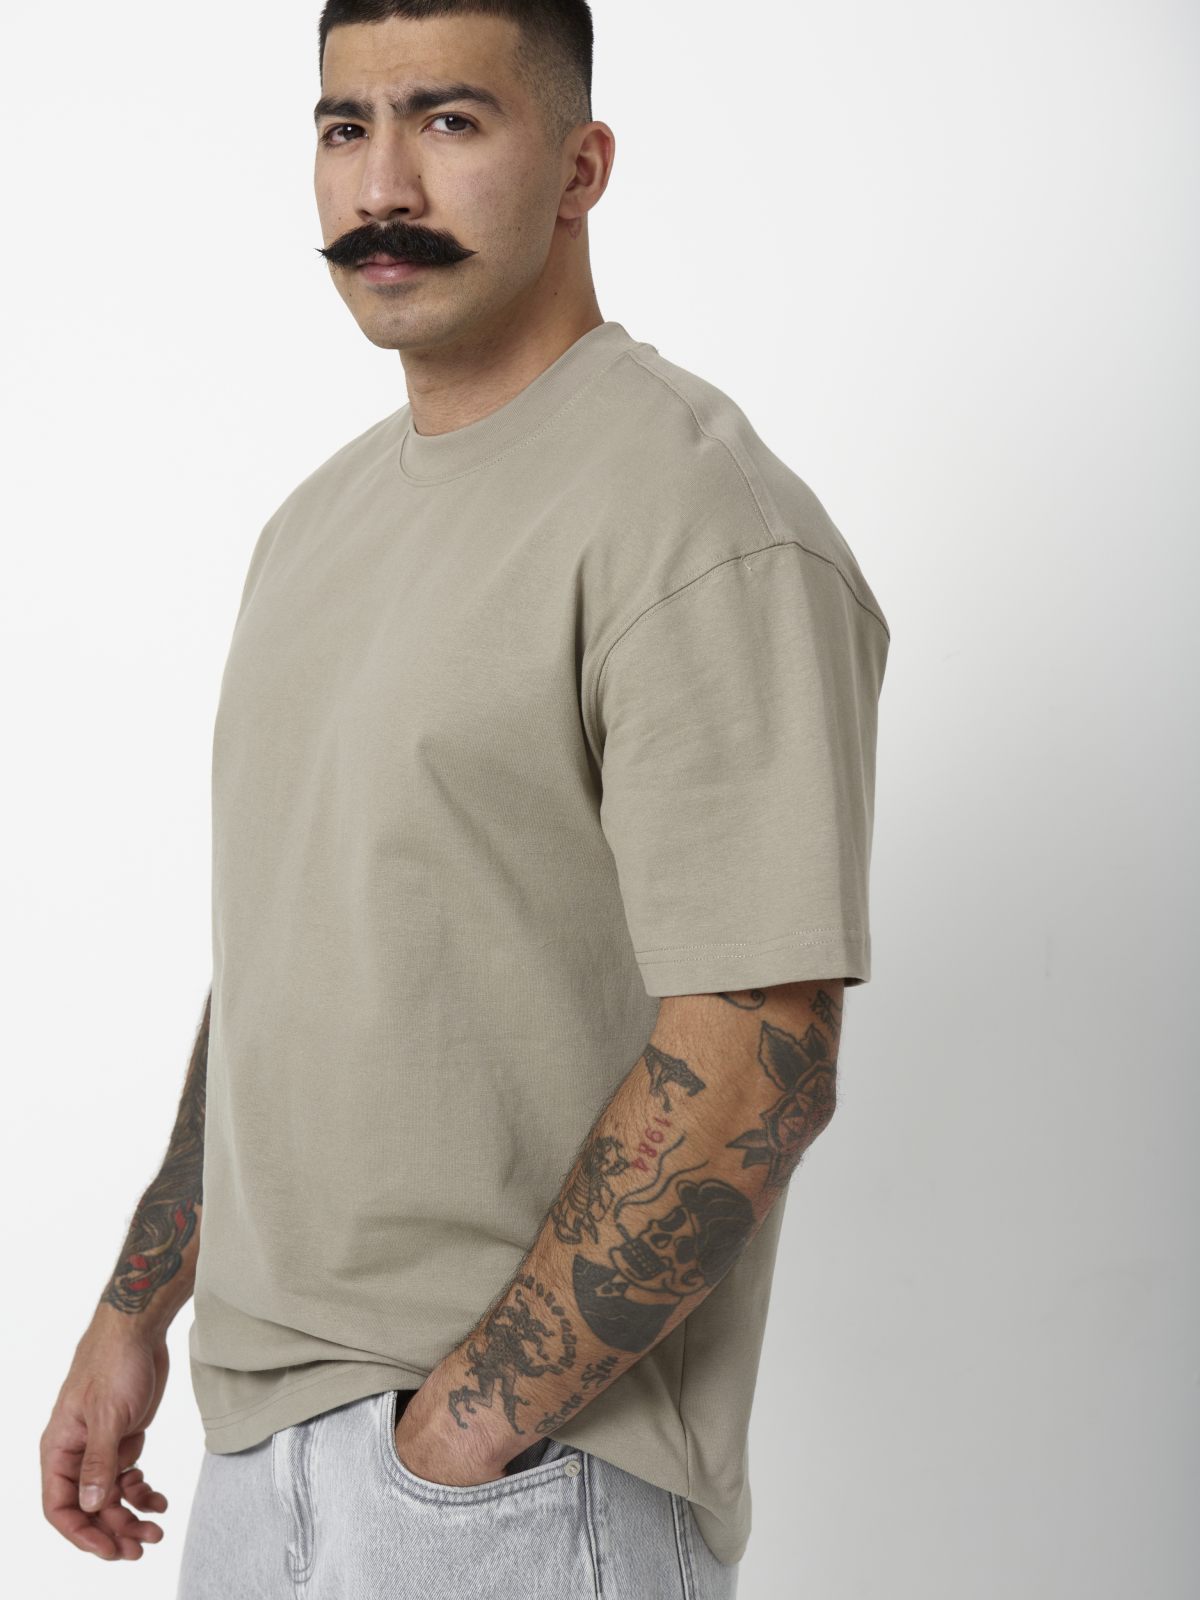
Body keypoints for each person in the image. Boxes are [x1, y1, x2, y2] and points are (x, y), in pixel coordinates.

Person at [40, 2, 891, 1595]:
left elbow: (760, 1052)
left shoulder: (697, 516)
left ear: (581, 166)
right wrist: (136, 1304)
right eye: (344, 128)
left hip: (516, 1486)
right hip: (255, 1457)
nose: (382, 189)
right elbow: (289, 955)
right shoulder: (312, 527)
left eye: (448, 121)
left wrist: (459, 1439)